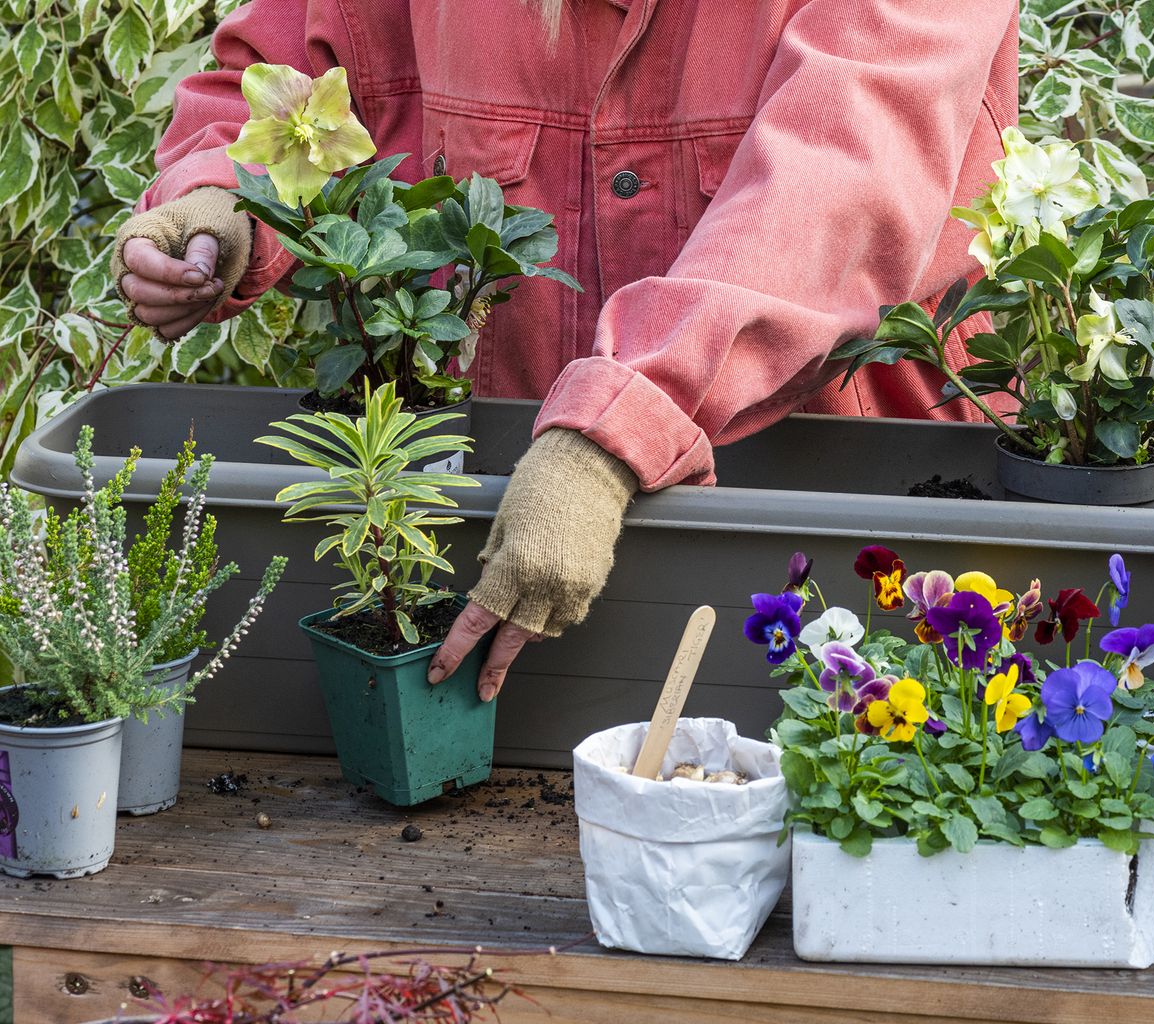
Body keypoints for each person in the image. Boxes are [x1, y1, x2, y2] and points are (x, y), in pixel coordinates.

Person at [112, 0, 1019, 703]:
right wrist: (222, 197)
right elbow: (290, 77)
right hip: (523, 541)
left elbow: (838, 176)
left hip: (851, 523)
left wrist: (615, 426)